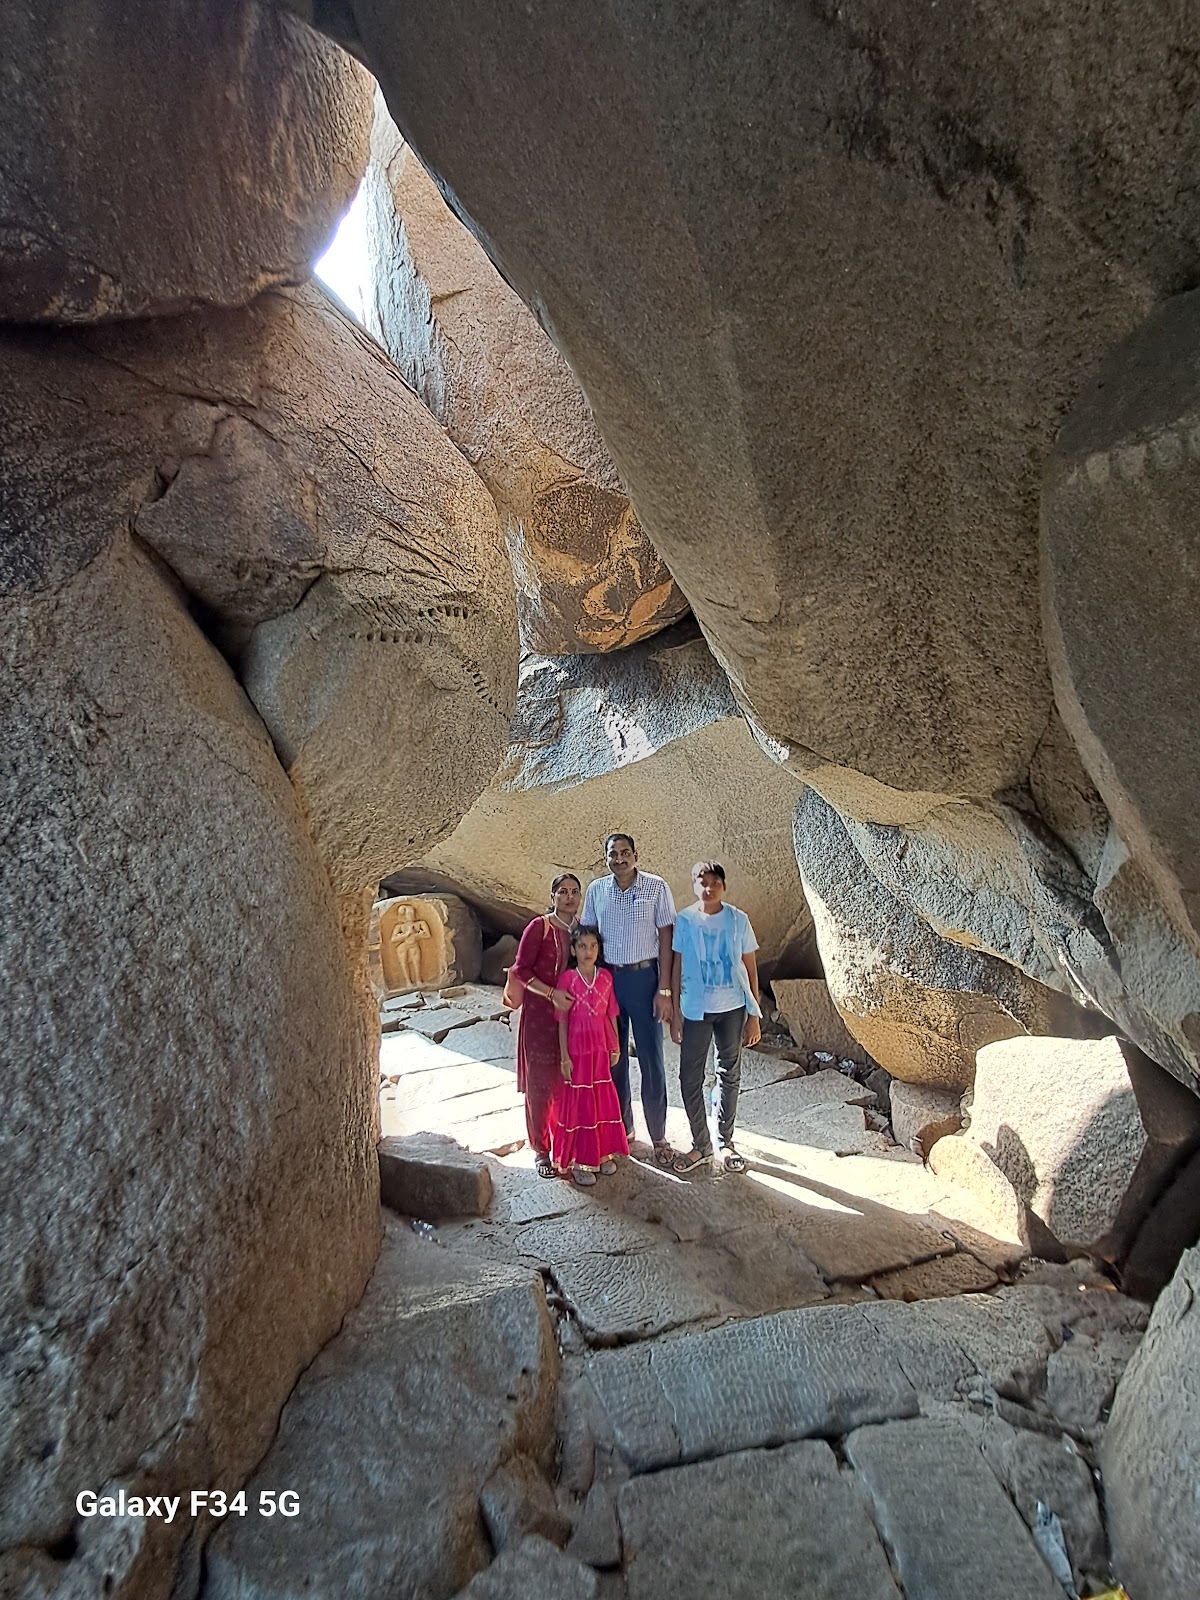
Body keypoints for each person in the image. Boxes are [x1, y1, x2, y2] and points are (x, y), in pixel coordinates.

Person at [580, 832, 676, 1168]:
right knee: (613, 1057)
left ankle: (659, 1136)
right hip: (609, 981)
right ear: (605, 857)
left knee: (652, 1059)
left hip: (645, 979)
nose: (619, 859)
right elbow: (587, 939)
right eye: (613, 853)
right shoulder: (597, 890)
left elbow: (667, 940)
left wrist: (664, 990)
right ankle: (622, 1130)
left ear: (636, 855)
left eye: (625, 852)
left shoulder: (656, 887)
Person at [669, 861, 762, 1175]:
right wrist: (675, 1013)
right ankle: (701, 1143)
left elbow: (750, 968)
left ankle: (725, 1141)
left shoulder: (738, 920)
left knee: (729, 1073)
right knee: (689, 1077)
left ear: (724, 885)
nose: (708, 888)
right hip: (696, 1009)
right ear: (694, 885)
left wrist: (754, 1014)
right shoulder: (685, 920)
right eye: (702, 882)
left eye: (714, 883)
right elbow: (677, 965)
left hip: (732, 1008)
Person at [509, 873, 581, 1178]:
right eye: (562, 891)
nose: (569, 897)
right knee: (540, 1083)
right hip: (540, 1016)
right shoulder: (539, 927)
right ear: (552, 897)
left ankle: (566, 1144)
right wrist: (551, 994)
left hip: (573, 1018)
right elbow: (521, 970)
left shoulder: (581, 928)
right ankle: (541, 1150)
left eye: (574, 892)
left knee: (568, 1081)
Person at [553, 926, 629, 1185]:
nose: (588, 951)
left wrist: (615, 1046)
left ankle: (602, 1153)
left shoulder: (606, 977)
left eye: (593, 946)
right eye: (582, 946)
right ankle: (580, 1161)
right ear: (573, 950)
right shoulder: (568, 979)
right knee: (581, 1102)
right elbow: (562, 1020)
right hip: (577, 1049)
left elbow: (611, 1014)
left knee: (601, 1099)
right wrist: (564, 1057)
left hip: (600, 1047)